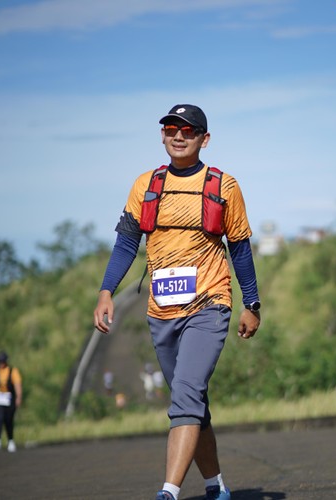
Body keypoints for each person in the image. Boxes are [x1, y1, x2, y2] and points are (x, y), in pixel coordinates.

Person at [94, 104, 261, 500]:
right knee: (191, 400)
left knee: (185, 394)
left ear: (205, 139)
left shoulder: (224, 186)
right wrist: (106, 291)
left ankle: (168, 492)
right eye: (171, 129)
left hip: (209, 303)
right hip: (161, 311)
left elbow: (240, 248)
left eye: (188, 130)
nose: (178, 136)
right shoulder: (146, 185)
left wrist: (251, 304)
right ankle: (215, 486)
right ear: (163, 135)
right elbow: (126, 244)